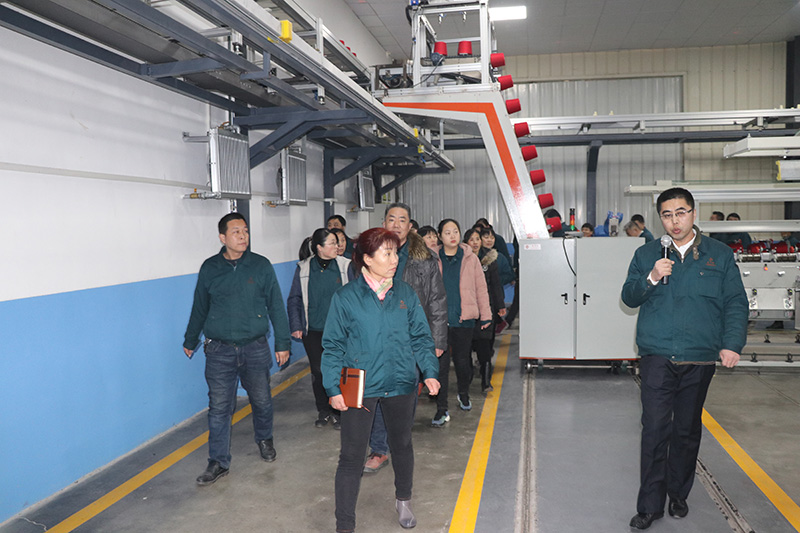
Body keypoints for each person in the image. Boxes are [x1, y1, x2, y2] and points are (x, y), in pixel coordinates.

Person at [621, 187, 747, 530]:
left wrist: (732, 343)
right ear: (660, 218)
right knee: (655, 429)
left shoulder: (719, 255)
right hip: (657, 354)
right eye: (667, 215)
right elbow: (629, 296)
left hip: (699, 356)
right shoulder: (647, 254)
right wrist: (651, 277)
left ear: (693, 213)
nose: (674, 221)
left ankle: (678, 493)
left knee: (687, 430)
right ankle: (650, 505)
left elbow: (735, 302)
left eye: (680, 213)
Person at [322, 228, 441, 533]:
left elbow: (421, 336)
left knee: (401, 444)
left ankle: (404, 500)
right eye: (387, 253)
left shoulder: (404, 293)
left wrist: (429, 371)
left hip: (401, 381)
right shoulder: (346, 297)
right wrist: (332, 387)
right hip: (359, 385)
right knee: (351, 456)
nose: (394, 259)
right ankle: (345, 524)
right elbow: (333, 345)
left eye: (395, 252)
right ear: (366, 259)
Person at [183, 213, 291, 486]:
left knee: (262, 400)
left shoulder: (261, 265)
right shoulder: (210, 268)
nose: (243, 236)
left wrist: (282, 343)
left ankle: (264, 439)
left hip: (255, 347)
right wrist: (190, 339)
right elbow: (200, 306)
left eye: (245, 231)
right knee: (219, 407)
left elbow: (276, 305)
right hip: (219, 351)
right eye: (236, 232)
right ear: (222, 237)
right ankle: (218, 461)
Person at [363, 203, 448, 474]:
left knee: (405, 395)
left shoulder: (424, 258)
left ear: (410, 226)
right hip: (377, 339)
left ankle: (398, 444)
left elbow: (437, 300)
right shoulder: (371, 254)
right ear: (384, 223)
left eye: (402, 220)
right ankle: (379, 449)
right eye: (392, 219)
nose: (397, 224)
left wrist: (437, 341)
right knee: (376, 394)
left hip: (411, 341)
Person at [287, 229, 352, 429]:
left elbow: (356, 295)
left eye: (337, 242)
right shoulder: (304, 268)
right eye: (332, 243)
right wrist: (296, 325)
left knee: (339, 370)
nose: (337, 246)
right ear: (319, 248)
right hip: (313, 330)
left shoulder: (345, 266)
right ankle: (323, 410)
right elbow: (295, 298)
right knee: (319, 371)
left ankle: (338, 411)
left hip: (340, 330)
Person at [434, 218, 492, 422]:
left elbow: (481, 288)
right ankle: (441, 408)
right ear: (440, 236)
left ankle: (463, 393)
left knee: (462, 361)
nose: (452, 236)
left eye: (455, 232)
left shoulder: (470, 258)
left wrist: (486, 315)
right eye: (447, 232)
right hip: (439, 321)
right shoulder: (432, 258)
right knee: (440, 366)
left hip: (463, 319)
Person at [465, 228, 505, 392]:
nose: (475, 243)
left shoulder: (489, 259)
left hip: (486, 308)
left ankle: (486, 381)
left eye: (477, 239)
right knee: (466, 346)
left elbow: (495, 284)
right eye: (471, 239)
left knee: (485, 345)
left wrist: (500, 305)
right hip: (467, 309)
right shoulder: (462, 260)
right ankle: (467, 376)